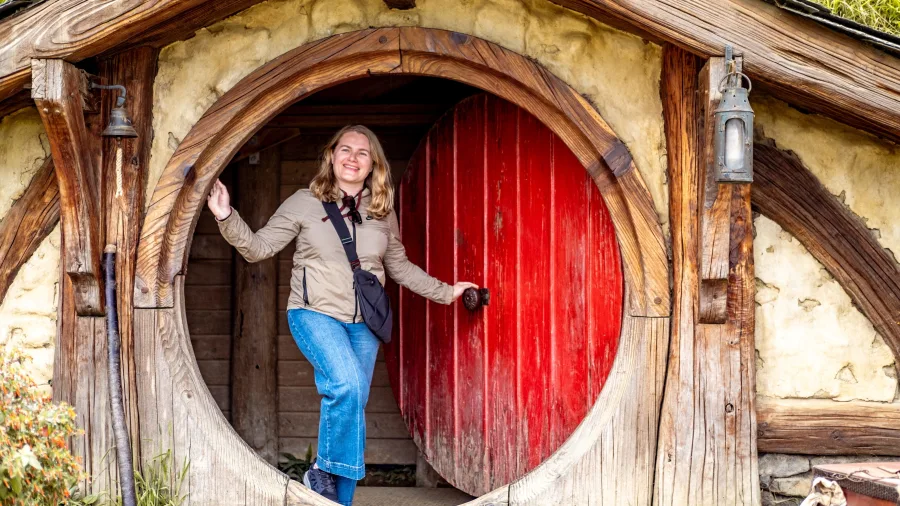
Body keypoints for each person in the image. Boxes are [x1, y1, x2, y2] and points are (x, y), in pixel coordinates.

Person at [207, 125, 476, 506]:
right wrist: (225, 215)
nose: (352, 158)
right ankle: (321, 471)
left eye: (362, 153)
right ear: (331, 157)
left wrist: (446, 292)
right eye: (345, 149)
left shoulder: (381, 211)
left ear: (373, 165)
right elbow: (258, 247)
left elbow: (398, 267)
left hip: (364, 324)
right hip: (314, 314)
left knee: (353, 406)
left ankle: (337, 502)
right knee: (347, 386)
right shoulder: (304, 202)